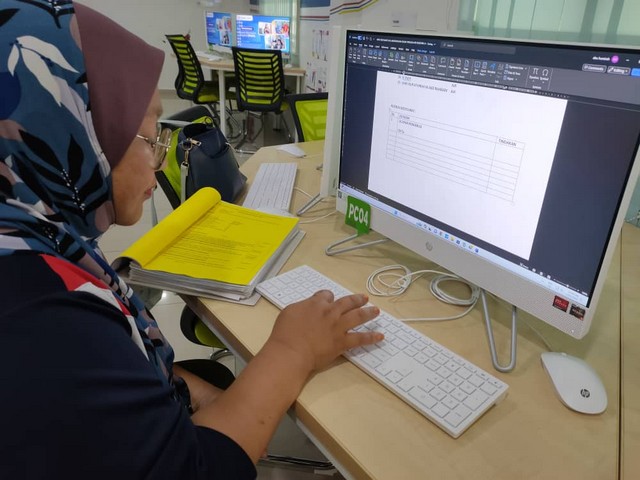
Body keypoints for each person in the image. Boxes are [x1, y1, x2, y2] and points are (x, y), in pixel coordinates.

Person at [0, 2, 382, 478]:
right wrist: (293, 349)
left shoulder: (29, 235)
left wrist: (200, 394)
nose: (161, 160)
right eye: (149, 138)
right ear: (73, 131)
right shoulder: (41, 317)